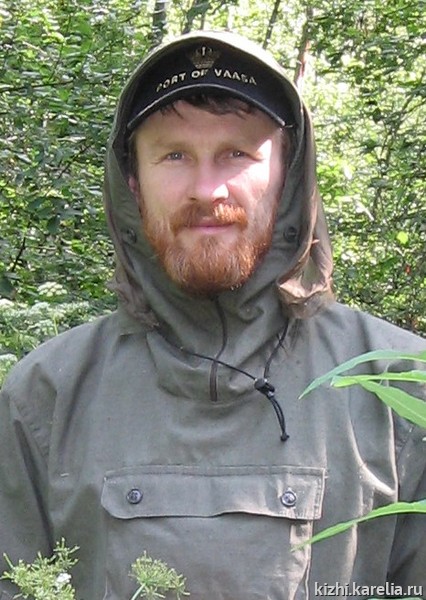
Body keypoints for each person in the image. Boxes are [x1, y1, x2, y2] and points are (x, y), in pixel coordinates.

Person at [0, 30, 425, 600]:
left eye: (237, 154)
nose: (207, 189)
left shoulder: (399, 389)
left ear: (288, 176)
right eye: (174, 155)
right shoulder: (45, 397)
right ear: (133, 182)